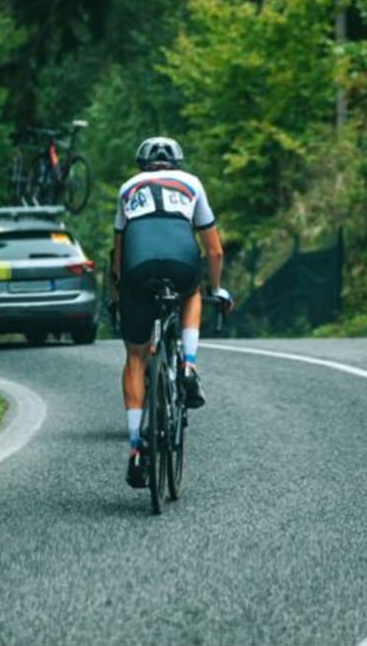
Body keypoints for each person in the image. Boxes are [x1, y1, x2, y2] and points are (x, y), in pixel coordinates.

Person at [110, 136, 233, 488]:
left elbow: (118, 256)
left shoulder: (127, 188)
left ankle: (135, 449)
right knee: (191, 292)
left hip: (136, 268)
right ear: (176, 163)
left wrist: (121, 294)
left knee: (135, 357)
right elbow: (214, 250)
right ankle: (189, 365)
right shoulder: (192, 183)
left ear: (141, 165)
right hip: (181, 262)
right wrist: (216, 287)